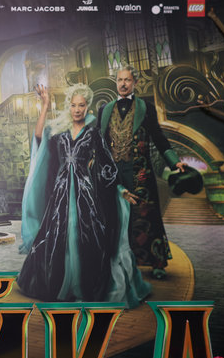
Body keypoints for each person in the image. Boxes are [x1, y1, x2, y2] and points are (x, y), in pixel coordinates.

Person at [18, 84, 150, 306]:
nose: (77, 110)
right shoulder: (59, 131)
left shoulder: (93, 132)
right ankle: (58, 285)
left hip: (85, 193)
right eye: (73, 105)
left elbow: (106, 163)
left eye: (81, 105)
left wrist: (120, 189)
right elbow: (39, 137)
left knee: (85, 236)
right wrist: (45, 105)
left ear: (87, 106)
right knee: (58, 235)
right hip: (60, 192)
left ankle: (82, 286)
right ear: (68, 107)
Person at [97, 66, 186, 279]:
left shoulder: (146, 108)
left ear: (135, 82)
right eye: (120, 80)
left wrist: (174, 161)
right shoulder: (104, 110)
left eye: (127, 80)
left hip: (140, 172)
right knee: (116, 218)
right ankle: (119, 262)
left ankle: (156, 262)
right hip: (114, 174)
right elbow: (99, 143)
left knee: (146, 216)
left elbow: (158, 136)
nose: (123, 84)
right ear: (116, 82)